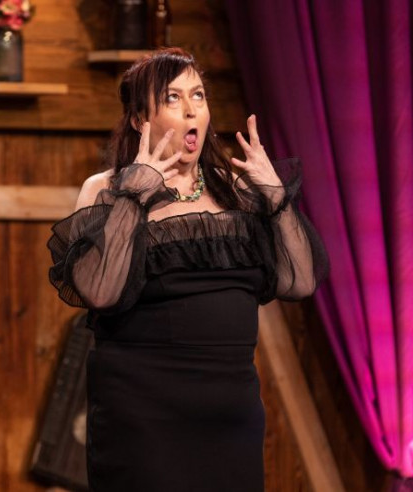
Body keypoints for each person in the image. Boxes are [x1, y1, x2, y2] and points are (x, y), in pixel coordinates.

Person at [47, 47, 329, 492]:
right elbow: (99, 292)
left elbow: (301, 281)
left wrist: (275, 196)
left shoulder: (235, 190)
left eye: (198, 94)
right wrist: (134, 196)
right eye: (173, 98)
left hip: (228, 416)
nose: (191, 108)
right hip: (143, 417)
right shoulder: (105, 190)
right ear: (140, 119)